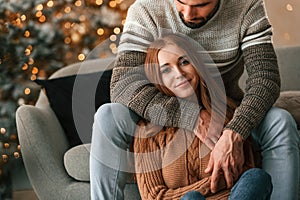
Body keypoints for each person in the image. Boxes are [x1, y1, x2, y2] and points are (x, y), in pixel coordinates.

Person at [90, 0, 300, 199]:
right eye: (181, 2)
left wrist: (235, 132)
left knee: (280, 120)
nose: (189, 14)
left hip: (226, 108)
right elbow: (122, 85)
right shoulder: (145, 10)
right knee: (108, 115)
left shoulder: (247, 7)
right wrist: (190, 115)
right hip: (157, 109)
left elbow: (265, 79)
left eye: (201, 5)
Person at [133, 33, 273, 200]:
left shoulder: (228, 115)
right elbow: (153, 196)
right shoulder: (148, 131)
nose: (179, 73)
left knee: (256, 178)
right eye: (166, 69)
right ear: (157, 79)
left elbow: (242, 176)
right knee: (191, 199)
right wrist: (209, 186)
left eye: (184, 62)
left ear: (196, 64)